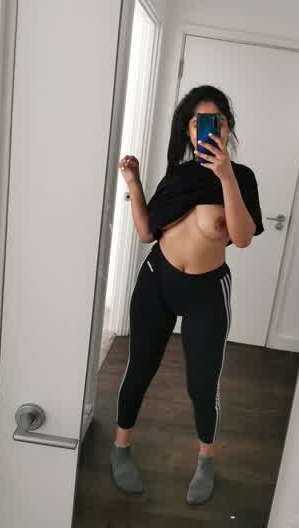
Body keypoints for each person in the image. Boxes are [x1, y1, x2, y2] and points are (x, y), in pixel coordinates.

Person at [110, 85, 264, 504]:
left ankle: (206, 461)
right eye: (199, 122)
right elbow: (147, 233)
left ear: (227, 127)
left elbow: (242, 238)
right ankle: (121, 447)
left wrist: (226, 175)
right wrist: (134, 183)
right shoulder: (177, 177)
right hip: (156, 281)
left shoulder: (242, 178)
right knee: (139, 368)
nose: (207, 129)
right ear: (189, 130)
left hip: (206, 292)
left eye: (217, 121)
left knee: (202, 384)